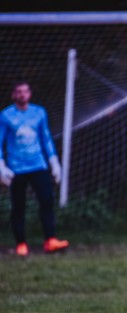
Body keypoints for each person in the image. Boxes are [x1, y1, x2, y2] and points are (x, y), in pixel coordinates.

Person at [0, 81, 69, 256]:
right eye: (19, 92)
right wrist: (1, 165)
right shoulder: (6, 115)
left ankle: (50, 240)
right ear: (13, 95)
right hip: (17, 168)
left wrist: (54, 161)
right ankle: (21, 243)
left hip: (38, 165)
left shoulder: (39, 113)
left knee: (47, 200)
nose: (22, 95)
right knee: (18, 205)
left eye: (25, 91)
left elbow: (46, 138)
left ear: (30, 94)